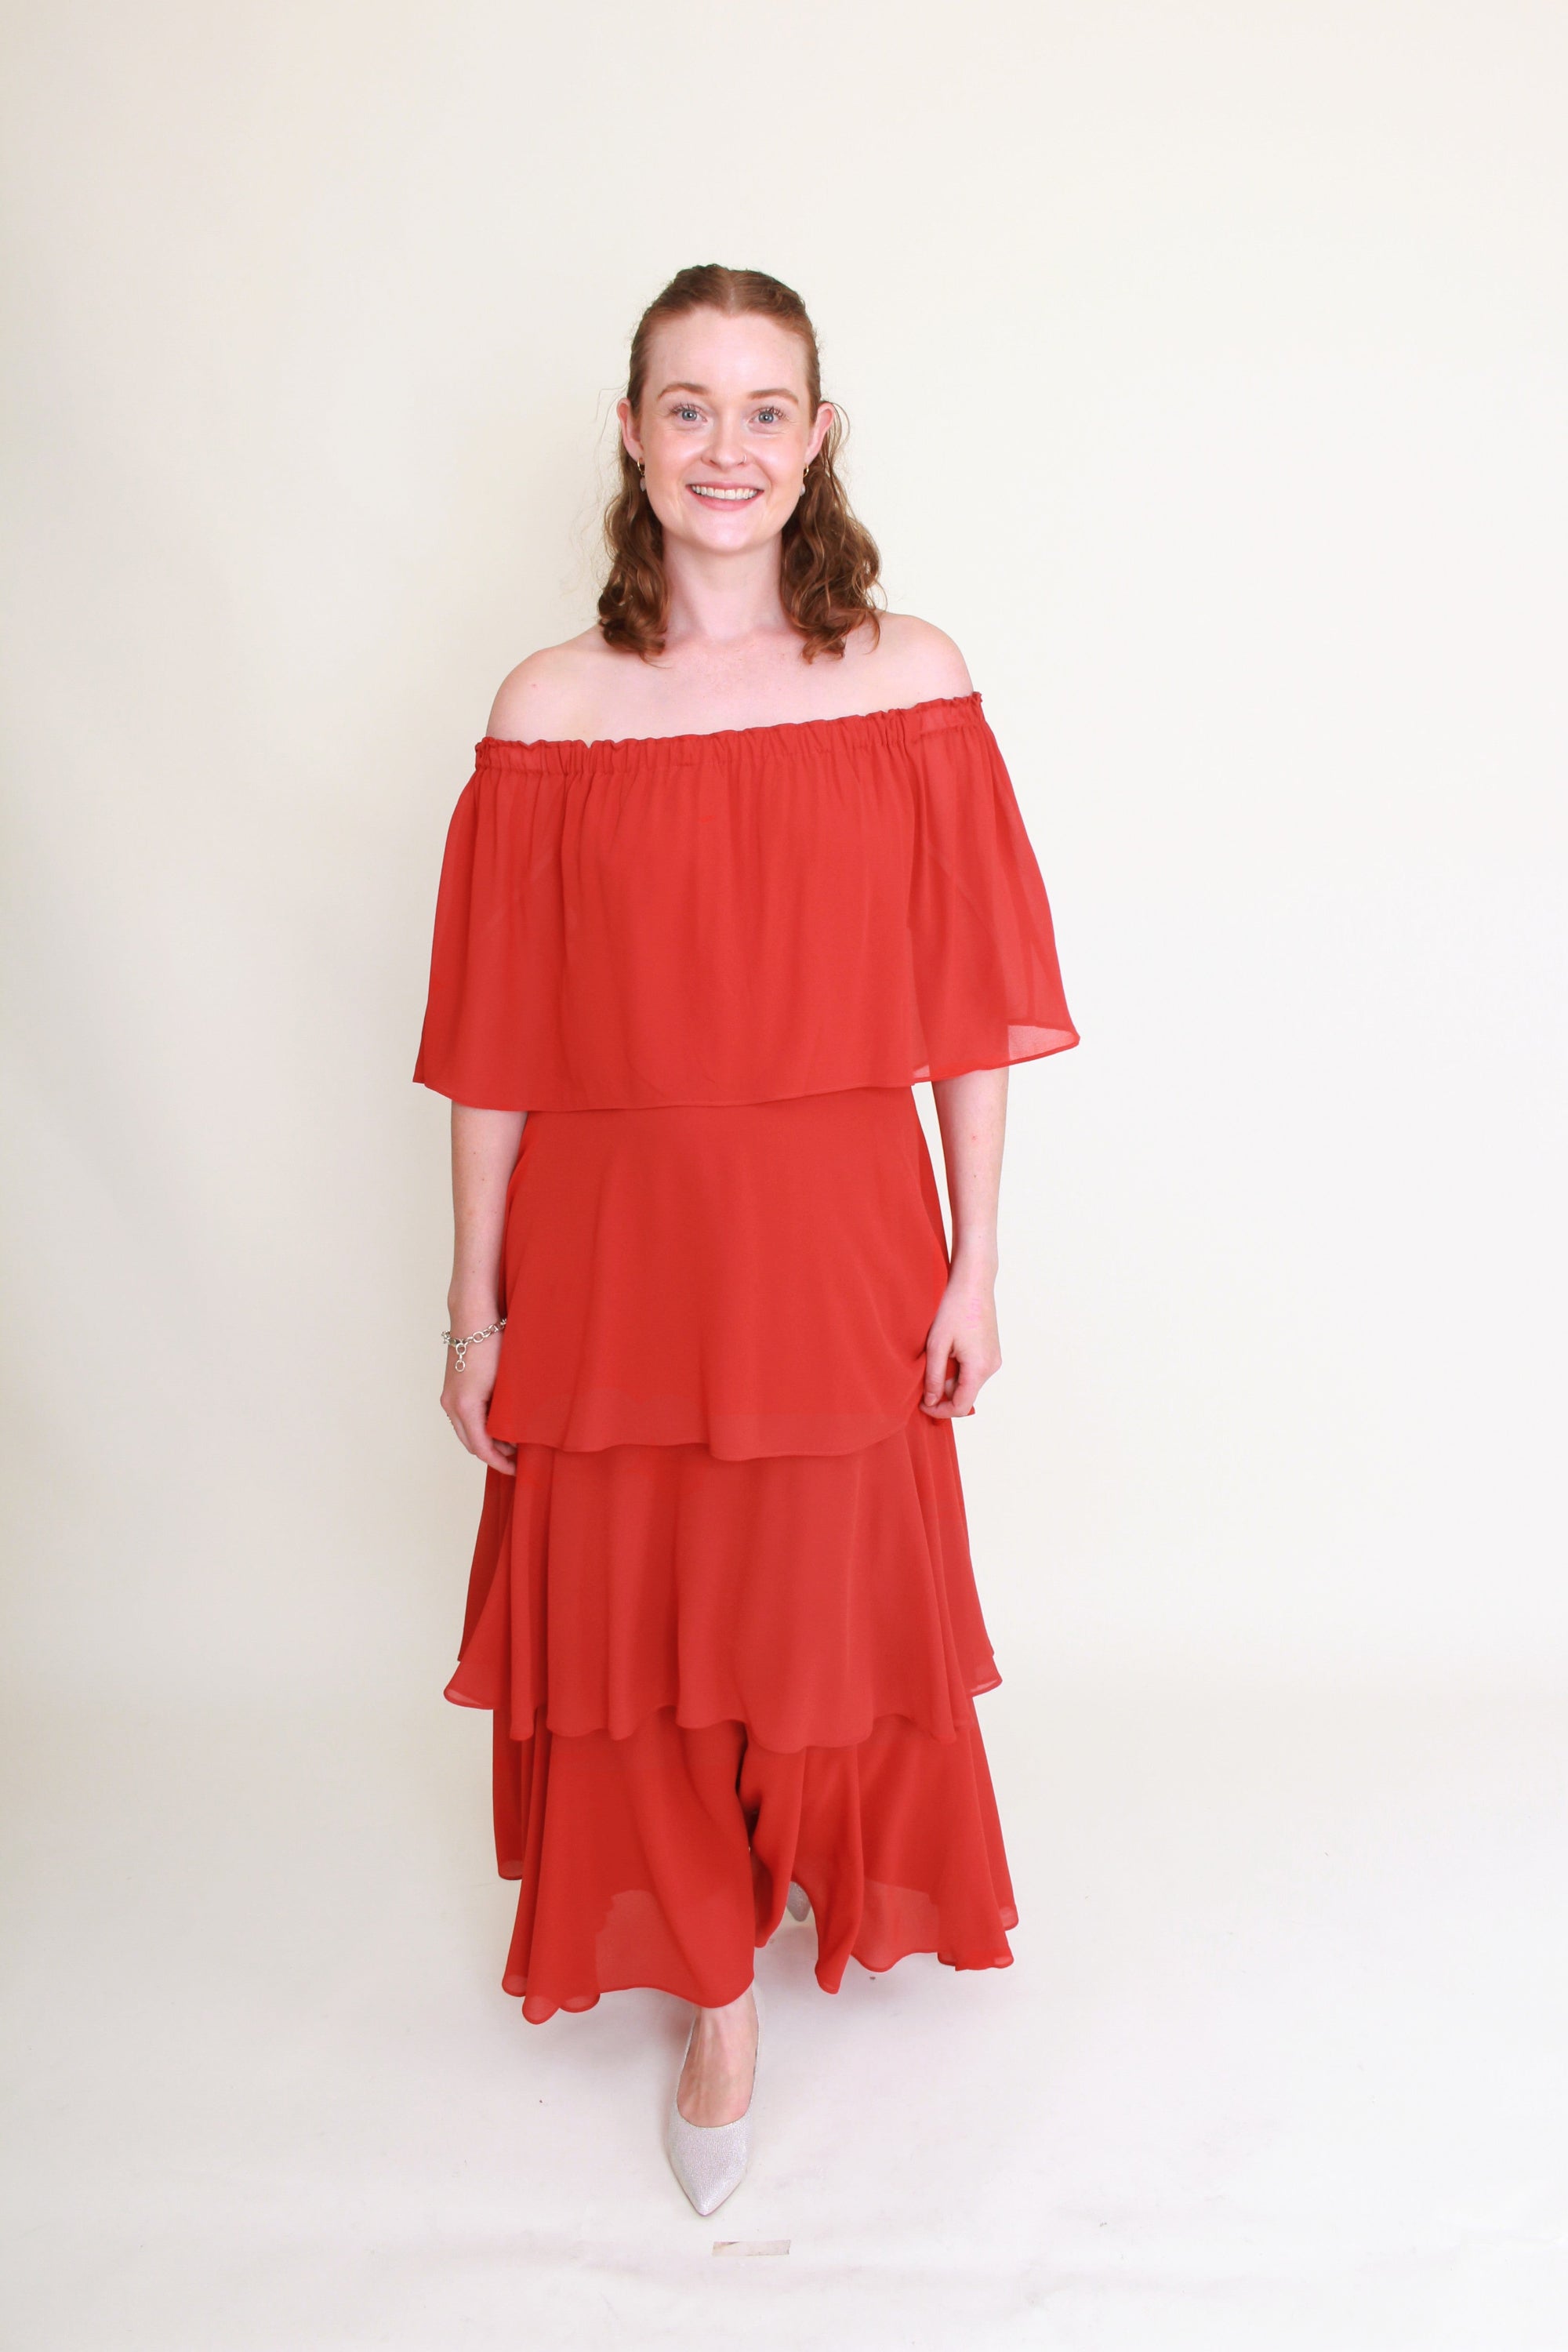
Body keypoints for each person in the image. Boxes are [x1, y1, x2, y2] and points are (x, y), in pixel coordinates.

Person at [412, 263, 1079, 2216]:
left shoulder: (908, 678)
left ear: (818, 437)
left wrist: (972, 1260)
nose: (727, 447)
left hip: (838, 1239)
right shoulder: (551, 706)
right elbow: (496, 1051)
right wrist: (472, 1314)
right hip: (614, 1252)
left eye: (764, 408)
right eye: (687, 408)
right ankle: (713, 1992)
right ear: (630, 434)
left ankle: (787, 1894)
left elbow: (967, 1002)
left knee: (804, 1610)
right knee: (631, 1632)